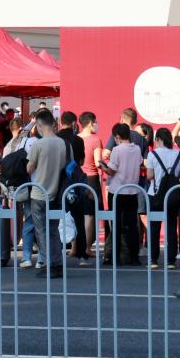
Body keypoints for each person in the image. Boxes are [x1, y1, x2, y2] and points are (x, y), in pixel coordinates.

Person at [23, 110, 67, 277]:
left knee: (41, 231)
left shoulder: (38, 145)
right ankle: (57, 263)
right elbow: (65, 165)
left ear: (39, 125)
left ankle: (47, 263)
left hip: (39, 193)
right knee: (54, 230)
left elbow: (29, 168)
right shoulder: (62, 143)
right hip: (56, 191)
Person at [145, 127, 180, 270]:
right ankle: (170, 261)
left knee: (154, 227)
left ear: (158, 139)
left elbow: (149, 176)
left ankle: (153, 260)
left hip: (155, 194)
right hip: (173, 195)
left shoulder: (152, 155)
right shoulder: (179, 154)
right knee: (172, 226)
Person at [102, 123, 143, 266]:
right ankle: (134, 257)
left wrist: (103, 167)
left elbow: (111, 171)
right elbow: (139, 163)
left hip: (117, 191)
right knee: (132, 225)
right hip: (132, 190)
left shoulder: (117, 150)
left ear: (117, 136)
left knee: (116, 224)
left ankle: (115, 256)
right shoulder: (137, 149)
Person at [56, 111, 88, 265]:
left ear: (60, 122)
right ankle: (82, 255)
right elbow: (81, 162)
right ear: (75, 123)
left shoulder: (55, 139)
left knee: (55, 218)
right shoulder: (78, 140)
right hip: (74, 182)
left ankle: (56, 253)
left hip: (57, 182)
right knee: (78, 217)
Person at [77, 112, 103, 263]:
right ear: (90, 123)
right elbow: (98, 162)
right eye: (95, 122)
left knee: (78, 214)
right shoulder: (95, 139)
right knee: (89, 215)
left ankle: (76, 247)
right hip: (91, 179)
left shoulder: (76, 138)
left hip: (77, 178)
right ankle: (87, 248)